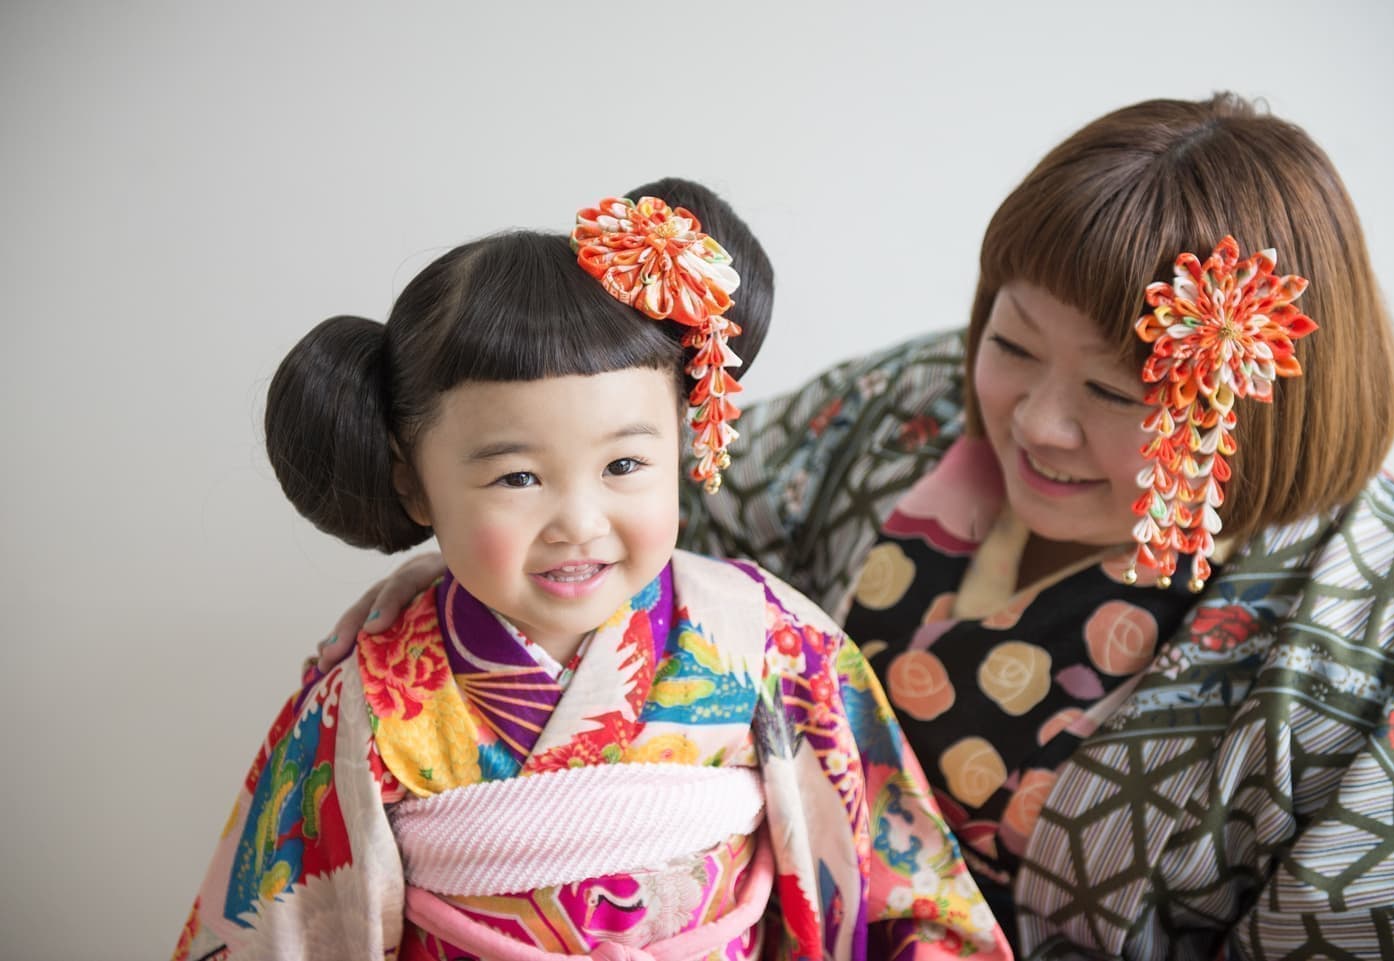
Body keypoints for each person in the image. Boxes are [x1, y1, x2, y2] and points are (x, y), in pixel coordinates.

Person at [328, 97, 1394, 959]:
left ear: (1255, 399)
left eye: (1114, 390)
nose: (1038, 422)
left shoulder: (1382, 633)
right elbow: (640, 501)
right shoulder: (909, 407)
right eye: (1011, 343)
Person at [173, 182, 1010, 961]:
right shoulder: (368, 699)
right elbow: (275, 929)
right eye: (517, 477)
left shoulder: (769, 642)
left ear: (683, 441)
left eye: (624, 465)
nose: (579, 521)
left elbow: (903, 882)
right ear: (413, 483)